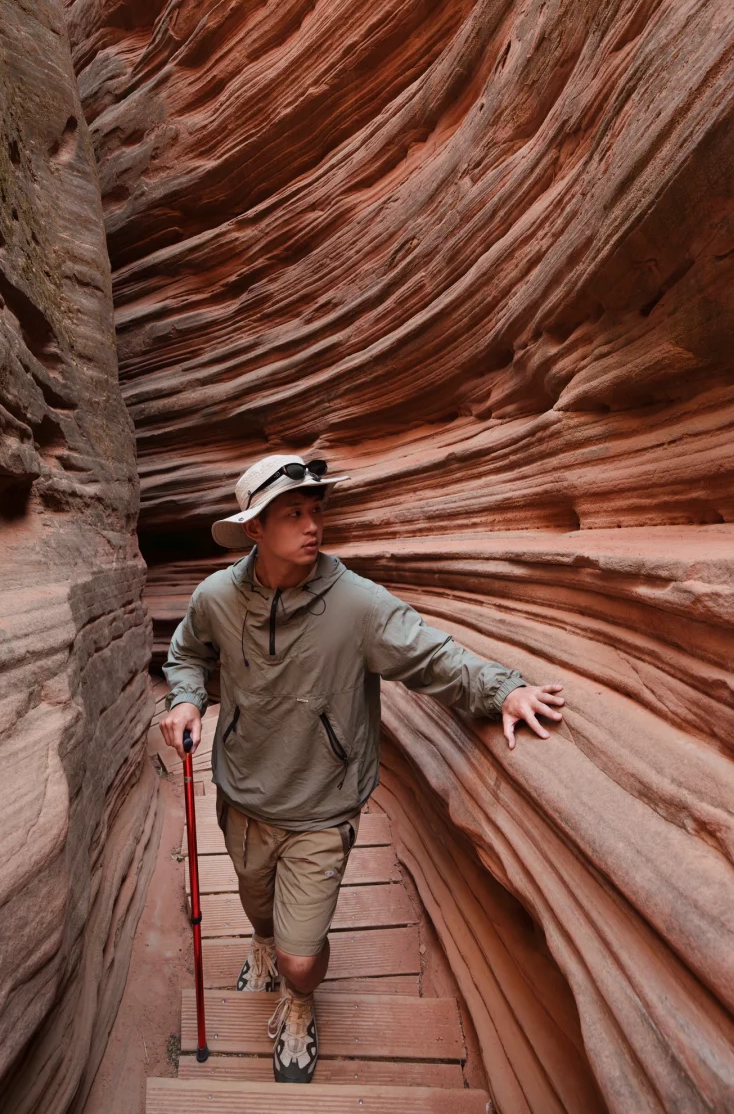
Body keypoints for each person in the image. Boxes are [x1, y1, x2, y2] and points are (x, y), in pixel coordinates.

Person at [161, 454, 565, 1084]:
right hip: (240, 792)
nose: (311, 524)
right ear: (255, 530)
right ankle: (261, 942)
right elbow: (185, 651)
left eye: (315, 510)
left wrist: (503, 690)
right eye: (292, 513)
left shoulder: (357, 605)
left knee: (300, 960)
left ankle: (297, 1000)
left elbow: (435, 656)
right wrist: (186, 697)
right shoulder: (216, 598)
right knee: (256, 906)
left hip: (322, 806)